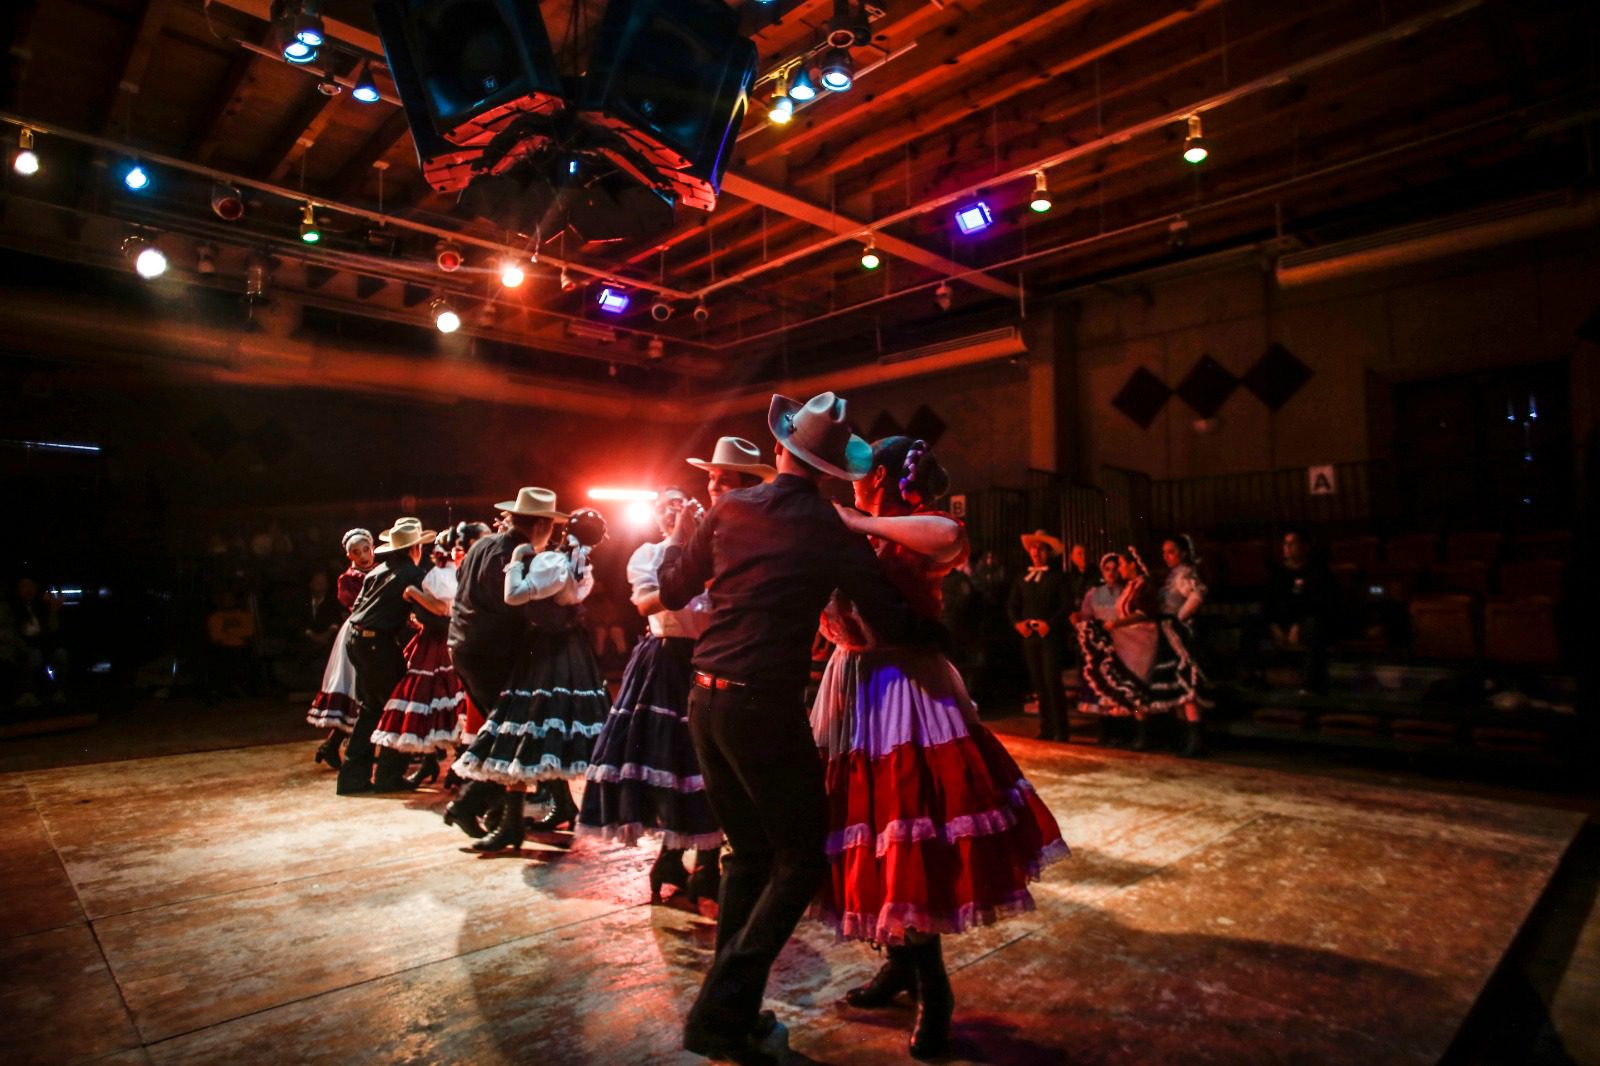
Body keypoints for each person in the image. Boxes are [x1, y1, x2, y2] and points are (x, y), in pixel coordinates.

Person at [658, 391, 916, 1065]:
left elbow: (672, 587)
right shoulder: (829, 527)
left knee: (748, 855)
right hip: (762, 704)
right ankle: (719, 1012)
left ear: (779, 449)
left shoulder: (729, 507)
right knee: (801, 858)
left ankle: (732, 1016)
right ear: (831, 468)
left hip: (706, 698)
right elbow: (886, 612)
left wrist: (692, 531)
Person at [812, 437, 1068, 1060]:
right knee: (866, 833)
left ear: (884, 481)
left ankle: (935, 987)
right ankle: (899, 962)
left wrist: (852, 521)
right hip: (852, 682)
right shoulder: (862, 532)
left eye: (862, 474)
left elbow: (945, 537)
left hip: (905, 688)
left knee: (909, 829)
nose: (851, 483)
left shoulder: (918, 531)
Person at [578, 487, 725, 904]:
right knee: (672, 759)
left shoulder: (718, 551)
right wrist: (680, 548)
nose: (670, 513)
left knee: (705, 761)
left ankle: (707, 861)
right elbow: (645, 604)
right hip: (665, 660)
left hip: (711, 656)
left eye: (679, 506)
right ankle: (673, 855)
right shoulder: (648, 554)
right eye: (663, 508)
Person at [450, 494, 610, 852]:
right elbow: (525, 607)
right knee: (521, 731)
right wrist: (569, 617)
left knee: (531, 728)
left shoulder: (491, 545)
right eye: (550, 526)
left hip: (480, 646)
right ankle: (478, 808)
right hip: (495, 651)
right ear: (541, 524)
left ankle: (546, 807)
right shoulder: (522, 554)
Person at [336, 519, 447, 794]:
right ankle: (388, 776)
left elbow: (361, 606)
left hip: (356, 640)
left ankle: (352, 779)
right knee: (397, 708)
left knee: (371, 709)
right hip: (377, 645)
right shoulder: (411, 573)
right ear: (415, 548)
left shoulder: (379, 570)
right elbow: (426, 614)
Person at [369, 527, 468, 787]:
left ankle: (450, 767)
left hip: (439, 643)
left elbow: (441, 609)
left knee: (437, 702)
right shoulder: (440, 574)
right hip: (435, 642)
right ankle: (436, 765)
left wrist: (413, 594)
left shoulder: (439, 575)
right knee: (439, 703)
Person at [307, 528, 376, 770]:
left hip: (379, 633)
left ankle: (341, 746)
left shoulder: (380, 570)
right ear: (350, 556)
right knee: (358, 691)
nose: (363, 556)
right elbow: (355, 605)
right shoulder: (348, 578)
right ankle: (336, 745)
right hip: (359, 632)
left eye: (366, 550)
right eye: (357, 552)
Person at [1147, 534, 1210, 756]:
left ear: (1182, 552)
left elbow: (1197, 595)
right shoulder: (1173, 575)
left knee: (1186, 686)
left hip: (1180, 636)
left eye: (1171, 551)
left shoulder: (1184, 573)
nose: (1166, 556)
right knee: (1175, 688)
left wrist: (1179, 618)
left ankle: (1196, 740)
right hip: (1169, 635)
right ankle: (1184, 738)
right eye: (1164, 552)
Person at [1008, 530, 1071, 741]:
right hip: (1030, 636)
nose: (1036, 552)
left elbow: (1066, 606)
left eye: (1041, 549)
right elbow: (1012, 605)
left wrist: (1050, 625)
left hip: (1049, 637)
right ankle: (1046, 728)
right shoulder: (1022, 578)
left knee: (1052, 681)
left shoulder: (1058, 577)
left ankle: (1061, 730)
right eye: (1034, 548)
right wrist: (1018, 624)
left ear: (1048, 553)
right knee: (1038, 683)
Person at [1260, 529, 1338, 693]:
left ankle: (1312, 683)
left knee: (1315, 627)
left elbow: (1319, 603)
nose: (1287, 547)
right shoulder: (1278, 573)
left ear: (1304, 546)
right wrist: (1274, 626)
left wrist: (1297, 625)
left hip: (1306, 622)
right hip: (1280, 623)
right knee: (1251, 625)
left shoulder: (1317, 572)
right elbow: (1268, 603)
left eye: (1292, 543)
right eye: (1285, 543)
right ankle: (1252, 676)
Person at [1073, 551, 1135, 745]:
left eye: (1115, 568)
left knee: (1118, 686)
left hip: (1121, 642)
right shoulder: (1093, 593)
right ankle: (1105, 731)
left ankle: (1123, 732)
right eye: (1107, 569)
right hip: (1099, 642)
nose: (1112, 572)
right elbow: (1085, 615)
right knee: (1101, 687)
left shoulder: (1126, 590)